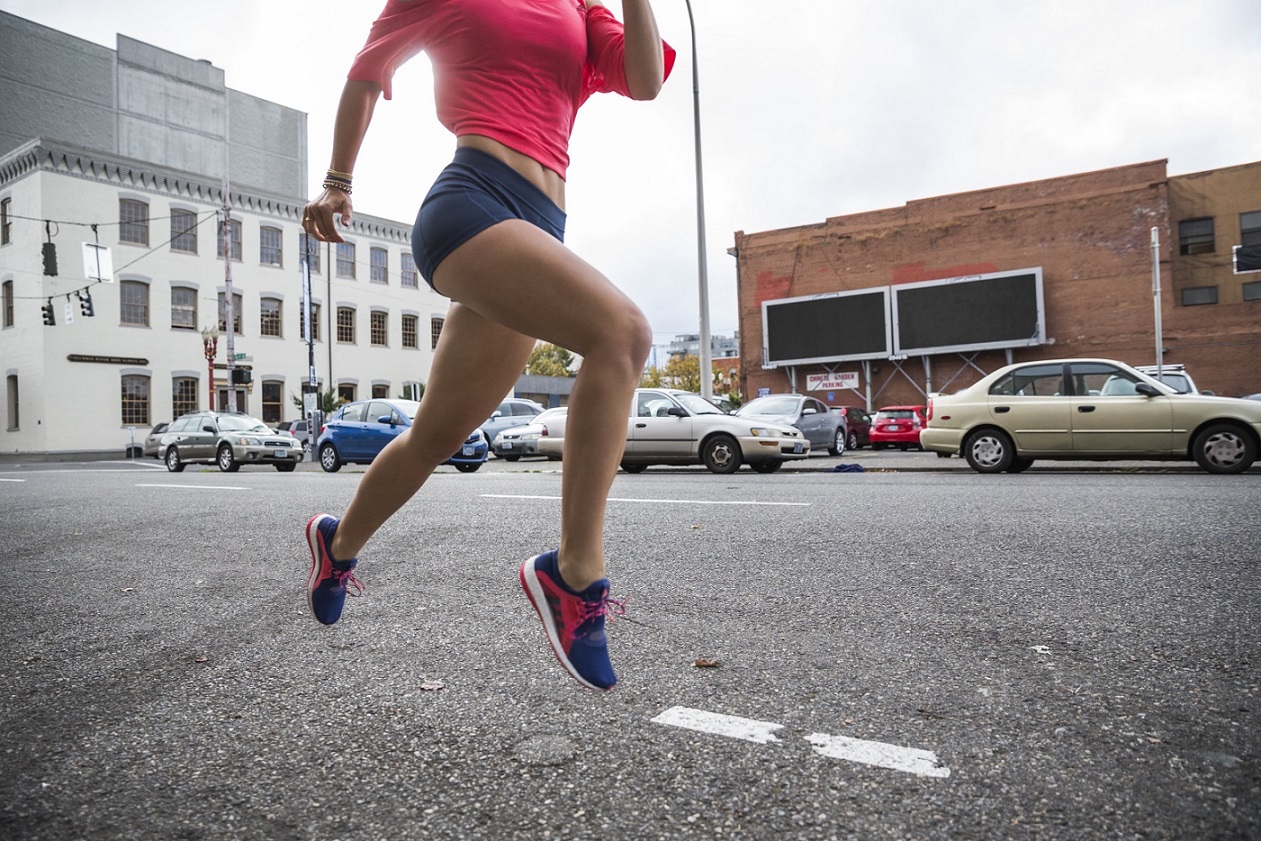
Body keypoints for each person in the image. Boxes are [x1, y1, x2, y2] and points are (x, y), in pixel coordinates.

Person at [301, 0, 675, 692]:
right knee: (622, 334)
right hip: (471, 202)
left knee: (435, 436)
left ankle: (337, 543)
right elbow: (367, 70)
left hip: (540, 222)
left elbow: (645, 80)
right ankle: (572, 574)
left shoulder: (580, 7)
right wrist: (337, 181)